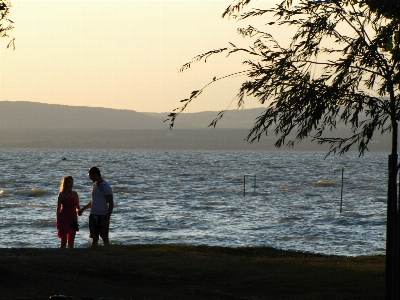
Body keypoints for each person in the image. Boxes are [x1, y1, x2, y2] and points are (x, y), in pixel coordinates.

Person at [78, 166, 114, 246]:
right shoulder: (94, 186)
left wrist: (107, 218)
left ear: (95, 174)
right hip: (93, 215)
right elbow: (93, 201)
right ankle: (93, 252)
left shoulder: (106, 186)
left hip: (103, 215)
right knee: (94, 237)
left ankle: (108, 252)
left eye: (90, 176)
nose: (90, 178)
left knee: (104, 238)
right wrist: (83, 209)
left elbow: (111, 203)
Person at [56, 175, 80, 248]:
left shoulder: (75, 194)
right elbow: (58, 208)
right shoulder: (61, 195)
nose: (71, 184)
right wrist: (58, 220)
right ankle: (61, 255)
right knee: (64, 240)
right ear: (65, 183)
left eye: (72, 182)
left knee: (71, 239)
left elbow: (78, 207)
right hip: (64, 217)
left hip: (73, 217)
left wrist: (81, 210)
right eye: (69, 182)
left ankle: (70, 255)